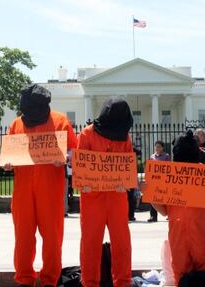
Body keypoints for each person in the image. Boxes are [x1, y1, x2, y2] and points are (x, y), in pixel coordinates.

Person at [3, 84, 77, 287]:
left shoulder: (61, 121)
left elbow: (74, 152)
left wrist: (65, 158)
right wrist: (7, 164)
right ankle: (25, 279)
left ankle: (49, 280)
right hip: (23, 190)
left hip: (50, 189)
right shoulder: (16, 124)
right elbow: (9, 155)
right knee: (23, 237)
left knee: (52, 238)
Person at [151, 130, 205, 285]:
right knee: (181, 275)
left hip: (201, 236)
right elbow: (164, 211)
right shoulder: (168, 175)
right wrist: (150, 194)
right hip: (179, 237)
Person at [77, 98, 133, 287]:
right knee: (90, 242)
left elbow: (128, 166)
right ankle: (90, 282)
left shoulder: (125, 137)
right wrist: (83, 182)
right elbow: (80, 166)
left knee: (122, 242)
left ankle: (123, 282)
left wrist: (125, 183)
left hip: (117, 195)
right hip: (92, 195)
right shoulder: (86, 134)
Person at [148, 140, 170, 223]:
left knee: (166, 197)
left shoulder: (166, 156)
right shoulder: (152, 157)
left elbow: (168, 167)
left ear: (162, 148)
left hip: (163, 180)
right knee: (153, 198)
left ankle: (169, 214)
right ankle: (153, 216)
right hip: (154, 180)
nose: (157, 148)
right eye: (156, 146)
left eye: (159, 147)